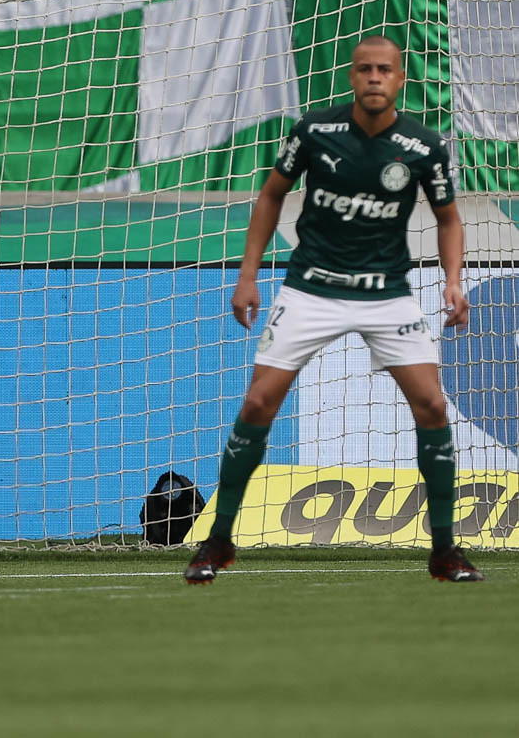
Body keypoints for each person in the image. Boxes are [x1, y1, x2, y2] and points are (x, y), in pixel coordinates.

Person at [185, 35, 482, 584]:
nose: (374, 77)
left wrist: (454, 282)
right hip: (310, 290)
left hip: (386, 294)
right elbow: (271, 194)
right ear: (352, 76)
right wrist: (248, 276)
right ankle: (218, 541)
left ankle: (445, 551)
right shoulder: (315, 132)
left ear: (400, 80)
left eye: (385, 70)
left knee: (432, 408)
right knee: (257, 403)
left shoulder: (423, 146)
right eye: (365, 69)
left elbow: (448, 218)